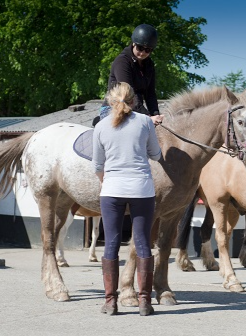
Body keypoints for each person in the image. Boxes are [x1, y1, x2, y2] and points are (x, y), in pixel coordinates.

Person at [92, 82, 162, 316]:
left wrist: (106, 182)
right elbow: (155, 154)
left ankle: (110, 302)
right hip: (141, 189)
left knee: (111, 243)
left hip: (112, 189)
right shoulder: (144, 122)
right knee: (143, 242)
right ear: (134, 101)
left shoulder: (101, 126)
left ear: (111, 101)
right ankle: (144, 302)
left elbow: (98, 165)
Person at [99, 23, 164, 126]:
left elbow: (150, 93)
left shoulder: (149, 65)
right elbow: (128, 94)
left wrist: (156, 114)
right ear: (133, 43)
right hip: (115, 108)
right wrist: (147, 116)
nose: (143, 53)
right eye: (140, 48)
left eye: (147, 50)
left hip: (135, 109)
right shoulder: (122, 62)